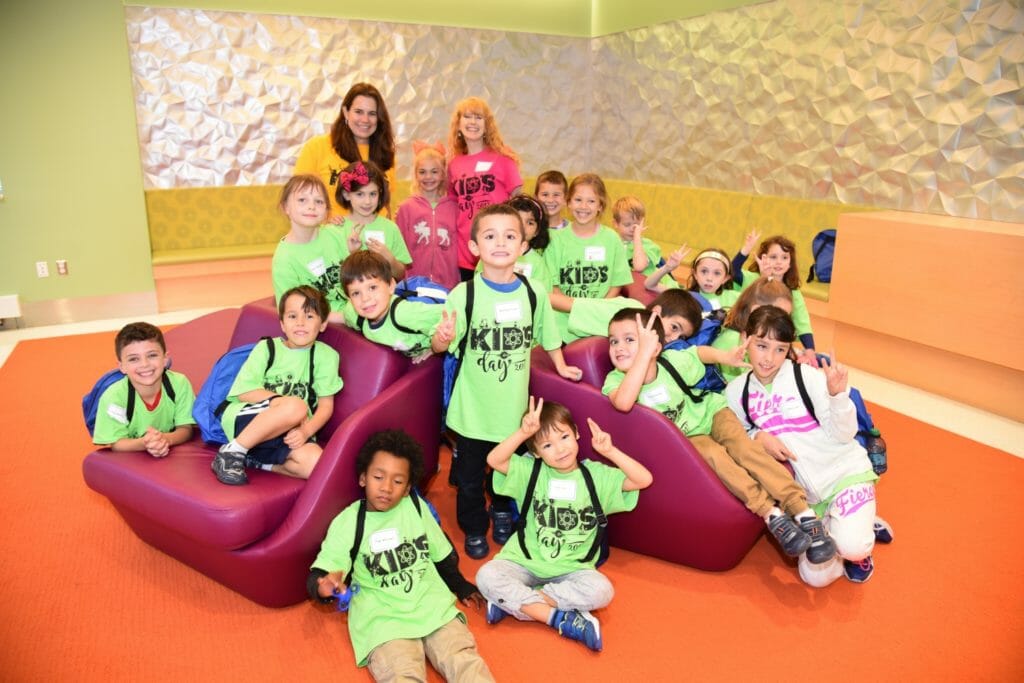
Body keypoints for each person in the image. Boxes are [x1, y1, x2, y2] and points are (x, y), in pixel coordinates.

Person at [601, 307, 837, 565]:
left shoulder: (671, 362)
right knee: (715, 457)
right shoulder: (616, 381)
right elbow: (623, 403)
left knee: (744, 449)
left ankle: (802, 511)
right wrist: (642, 353)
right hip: (687, 437)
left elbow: (699, 352)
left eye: (630, 339)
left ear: (656, 347)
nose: (619, 347)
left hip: (712, 413)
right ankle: (772, 514)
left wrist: (725, 357)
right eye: (613, 341)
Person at [431, 204, 582, 560]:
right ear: (474, 247)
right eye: (490, 236)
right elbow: (441, 346)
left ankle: (501, 510)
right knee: (468, 478)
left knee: (507, 471)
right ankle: (472, 525)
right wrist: (441, 337)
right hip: (471, 412)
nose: (500, 243)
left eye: (510, 236)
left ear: (524, 244)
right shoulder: (463, 295)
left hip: (513, 413)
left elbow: (549, 335)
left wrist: (561, 366)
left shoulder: (534, 293)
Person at [309, 429, 495, 682]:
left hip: (432, 605)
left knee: (464, 662)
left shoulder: (416, 508)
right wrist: (325, 586)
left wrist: (460, 585)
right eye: (378, 477)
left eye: (397, 482)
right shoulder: (349, 522)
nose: (386, 488)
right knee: (401, 674)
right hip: (384, 619)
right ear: (363, 478)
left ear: (408, 489)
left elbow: (440, 553)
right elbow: (323, 572)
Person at [476, 398, 653, 651]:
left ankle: (514, 602)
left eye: (564, 437)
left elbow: (643, 479)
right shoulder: (531, 471)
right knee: (486, 575)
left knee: (602, 591)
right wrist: (523, 433)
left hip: (573, 568)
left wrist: (610, 451)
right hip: (522, 561)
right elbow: (495, 460)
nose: (560, 450)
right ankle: (557, 618)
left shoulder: (596, 475)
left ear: (577, 434)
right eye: (547, 445)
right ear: (536, 452)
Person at [725, 306, 882, 585]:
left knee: (852, 547)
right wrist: (757, 437)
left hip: (845, 474)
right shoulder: (737, 391)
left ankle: (857, 543)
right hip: (805, 498)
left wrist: (837, 397)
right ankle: (845, 523)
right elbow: (738, 437)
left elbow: (845, 434)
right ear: (745, 339)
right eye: (762, 346)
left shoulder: (805, 377)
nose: (769, 359)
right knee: (814, 579)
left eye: (780, 349)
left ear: (789, 350)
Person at [211, 286, 343, 485]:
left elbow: (326, 406)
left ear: (322, 324)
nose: (300, 323)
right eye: (292, 316)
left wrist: (306, 431)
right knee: (297, 406)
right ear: (282, 323)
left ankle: (255, 461)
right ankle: (232, 451)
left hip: (289, 430)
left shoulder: (327, 356)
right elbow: (245, 392)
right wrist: (282, 405)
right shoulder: (267, 348)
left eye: (309, 316)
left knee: (317, 464)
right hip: (248, 421)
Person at [544, 173, 633, 343]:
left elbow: (616, 284)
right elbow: (554, 288)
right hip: (565, 315)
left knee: (635, 311)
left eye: (591, 201)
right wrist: (578, 311)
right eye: (578, 200)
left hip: (601, 311)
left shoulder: (611, 239)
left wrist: (596, 310)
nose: (584, 206)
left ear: (600, 205)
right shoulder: (556, 241)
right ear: (568, 202)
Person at [92, 322, 195, 457]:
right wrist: (145, 443)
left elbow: (186, 428)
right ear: (121, 366)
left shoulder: (179, 383)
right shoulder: (114, 397)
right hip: (131, 456)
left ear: (165, 358)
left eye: (152, 355)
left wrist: (165, 439)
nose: (145, 364)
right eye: (134, 359)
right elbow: (117, 443)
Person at [446, 97, 523, 279]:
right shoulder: (453, 165)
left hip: (498, 248)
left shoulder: (503, 159)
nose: (473, 122)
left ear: (487, 125)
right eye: (467, 116)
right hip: (466, 252)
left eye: (479, 117)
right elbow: (453, 205)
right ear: (458, 124)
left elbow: (518, 203)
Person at [294, 82, 396, 217]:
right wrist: (326, 223)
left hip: (375, 235)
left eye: (372, 113)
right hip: (331, 234)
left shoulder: (386, 153)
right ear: (346, 112)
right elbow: (299, 199)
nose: (365, 119)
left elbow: (386, 205)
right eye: (358, 112)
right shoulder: (317, 147)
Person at [270, 175, 352, 317]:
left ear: (327, 210)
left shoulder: (336, 234)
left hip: (356, 308)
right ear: (285, 207)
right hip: (326, 323)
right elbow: (293, 311)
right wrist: (349, 318)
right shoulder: (284, 259)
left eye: (319, 201)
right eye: (302, 200)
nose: (311, 206)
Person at [340, 250, 443, 361]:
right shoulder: (355, 314)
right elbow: (343, 317)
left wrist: (433, 348)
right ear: (349, 299)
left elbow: (452, 316)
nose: (365, 299)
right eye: (356, 293)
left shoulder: (405, 314)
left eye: (372, 288)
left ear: (391, 286)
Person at [731, 232, 817, 364]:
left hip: (776, 342)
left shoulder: (793, 291)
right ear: (763, 258)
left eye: (784, 258)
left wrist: (810, 350)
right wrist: (746, 249)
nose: (779, 262)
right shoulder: (753, 279)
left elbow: (802, 322)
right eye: (773, 257)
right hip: (751, 340)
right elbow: (732, 271)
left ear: (790, 263)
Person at [329, 160, 412, 282]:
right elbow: (332, 277)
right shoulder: (336, 229)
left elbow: (400, 273)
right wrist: (351, 254)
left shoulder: (390, 228)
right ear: (346, 195)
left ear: (380, 194)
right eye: (360, 194)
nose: (367, 201)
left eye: (372, 194)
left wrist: (390, 259)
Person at [395, 141, 460, 290]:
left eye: (434, 171)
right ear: (416, 174)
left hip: (448, 285)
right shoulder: (407, 208)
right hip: (414, 284)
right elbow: (398, 247)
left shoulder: (455, 207)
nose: (428, 177)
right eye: (422, 172)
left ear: (443, 174)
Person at [712, 276, 793, 385]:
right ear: (755, 310)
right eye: (777, 314)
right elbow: (738, 388)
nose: (783, 322)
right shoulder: (731, 341)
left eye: (786, 316)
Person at [612, 195, 677, 290]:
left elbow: (639, 267)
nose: (633, 229)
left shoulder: (649, 245)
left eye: (637, 225)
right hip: (630, 289)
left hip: (659, 288)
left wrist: (637, 238)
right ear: (615, 224)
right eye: (627, 224)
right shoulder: (612, 244)